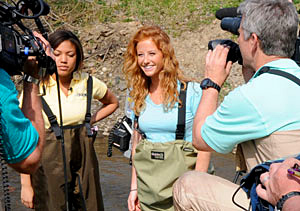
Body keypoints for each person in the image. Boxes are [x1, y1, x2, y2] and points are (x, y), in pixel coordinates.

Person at [172, 0, 300, 210]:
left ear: (254, 41)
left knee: (187, 186)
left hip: (278, 202)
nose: (238, 41)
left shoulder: (249, 97)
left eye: (240, 34)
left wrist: (211, 83)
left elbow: (201, 139)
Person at [20, 29, 119, 210]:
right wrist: (26, 185)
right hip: (47, 159)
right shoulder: (35, 87)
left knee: (91, 204)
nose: (63, 60)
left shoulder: (88, 82)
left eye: (70, 55)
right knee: (52, 205)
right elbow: (23, 137)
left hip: (84, 156)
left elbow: (112, 103)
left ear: (78, 58)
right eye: (57, 54)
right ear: (48, 55)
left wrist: (90, 121)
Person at [123, 25, 212, 211]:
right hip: (149, 190)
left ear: (165, 54)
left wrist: (197, 192)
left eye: (151, 53)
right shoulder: (136, 94)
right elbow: (136, 144)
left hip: (185, 189)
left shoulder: (192, 92)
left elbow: (205, 145)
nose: (145, 60)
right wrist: (134, 188)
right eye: (140, 55)